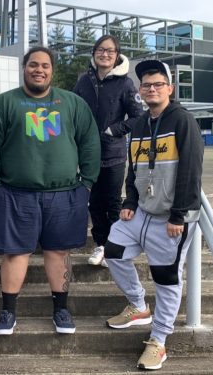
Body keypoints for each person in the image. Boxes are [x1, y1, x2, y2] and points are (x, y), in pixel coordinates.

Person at [0, 46, 101, 336]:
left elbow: (90, 142)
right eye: (33, 64)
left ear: (52, 71)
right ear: (24, 68)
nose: (39, 70)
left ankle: (61, 308)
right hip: (15, 193)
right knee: (15, 253)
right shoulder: (4, 103)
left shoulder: (72, 103)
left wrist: (87, 184)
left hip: (66, 193)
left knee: (58, 252)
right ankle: (8, 310)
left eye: (45, 65)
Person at [104, 60, 203, 370]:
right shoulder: (140, 124)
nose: (151, 89)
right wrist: (130, 199)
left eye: (157, 84)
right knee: (114, 252)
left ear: (169, 89)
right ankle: (137, 305)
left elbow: (190, 170)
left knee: (166, 279)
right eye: (146, 85)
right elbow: (135, 168)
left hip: (171, 218)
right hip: (142, 213)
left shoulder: (183, 120)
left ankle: (159, 341)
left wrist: (179, 214)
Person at [74, 34, 143, 268]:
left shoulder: (125, 83)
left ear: (117, 55)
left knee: (112, 201)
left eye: (110, 51)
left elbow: (137, 117)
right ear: (94, 53)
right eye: (101, 50)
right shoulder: (83, 81)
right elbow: (73, 112)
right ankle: (100, 244)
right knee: (93, 201)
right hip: (87, 153)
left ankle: (114, 246)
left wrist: (114, 130)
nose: (105, 54)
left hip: (113, 153)